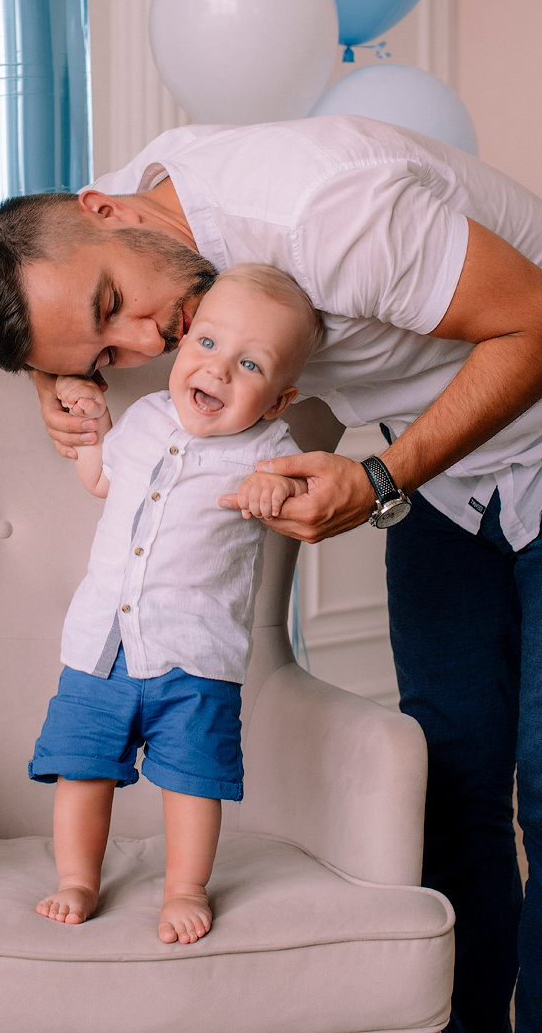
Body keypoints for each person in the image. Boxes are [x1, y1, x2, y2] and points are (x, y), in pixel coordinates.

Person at [0, 114, 542, 1033]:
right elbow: (41, 268)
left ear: (108, 210)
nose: (148, 341)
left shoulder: (324, 209)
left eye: (113, 309)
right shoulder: (113, 219)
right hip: (455, 474)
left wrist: (378, 477)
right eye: (111, 351)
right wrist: (60, 375)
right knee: (452, 783)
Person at [26, 264, 322, 945]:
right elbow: (102, 481)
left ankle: (185, 887)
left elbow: (307, 498)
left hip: (194, 654)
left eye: (248, 364)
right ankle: (77, 877)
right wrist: (89, 432)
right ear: (183, 343)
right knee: (82, 767)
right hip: (100, 642)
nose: (217, 371)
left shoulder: (271, 451)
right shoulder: (144, 418)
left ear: (277, 400)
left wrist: (275, 494)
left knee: (192, 779)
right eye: (209, 345)